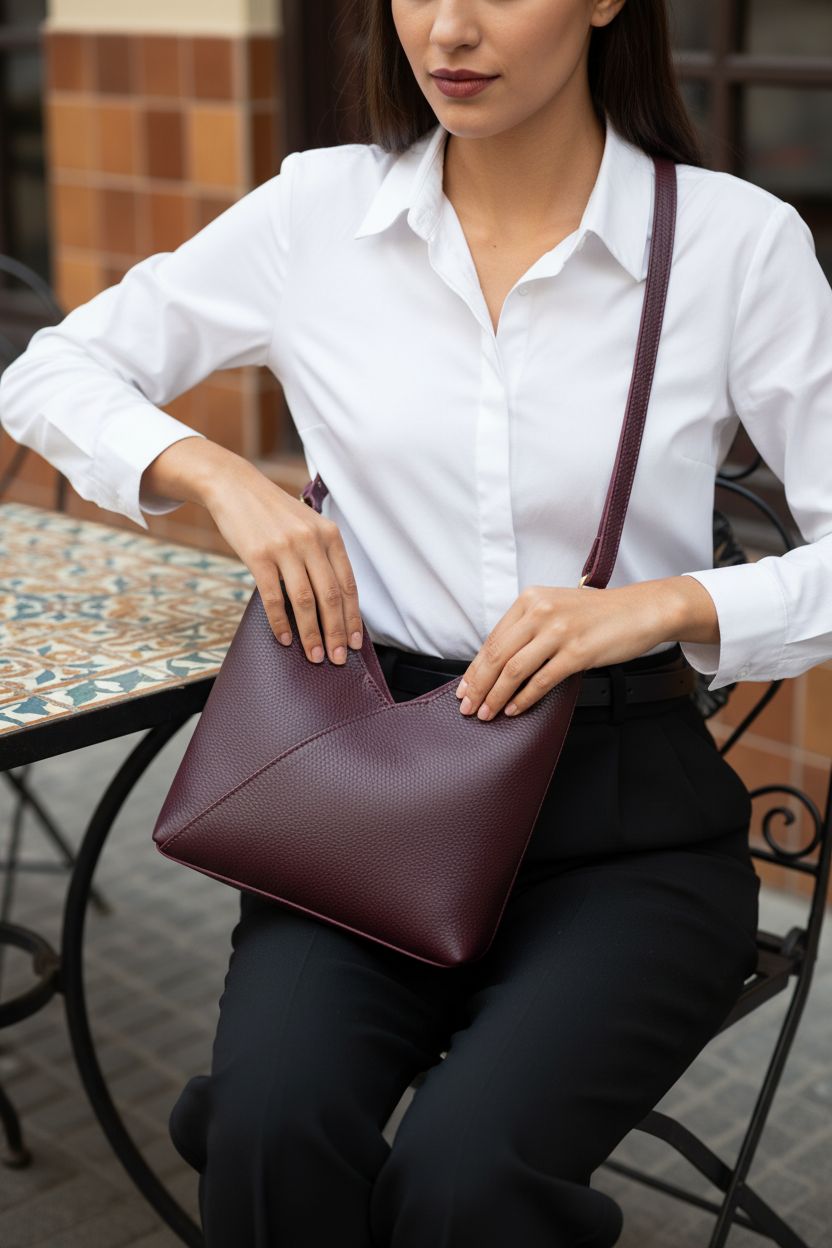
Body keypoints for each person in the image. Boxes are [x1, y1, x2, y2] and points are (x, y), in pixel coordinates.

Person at [1, 1, 831, 1244]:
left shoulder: (729, 245)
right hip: (363, 795)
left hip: (625, 823)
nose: (447, 26)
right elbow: (47, 371)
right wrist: (222, 478)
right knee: (275, 1133)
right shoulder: (319, 215)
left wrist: (669, 603)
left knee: (459, 1183)